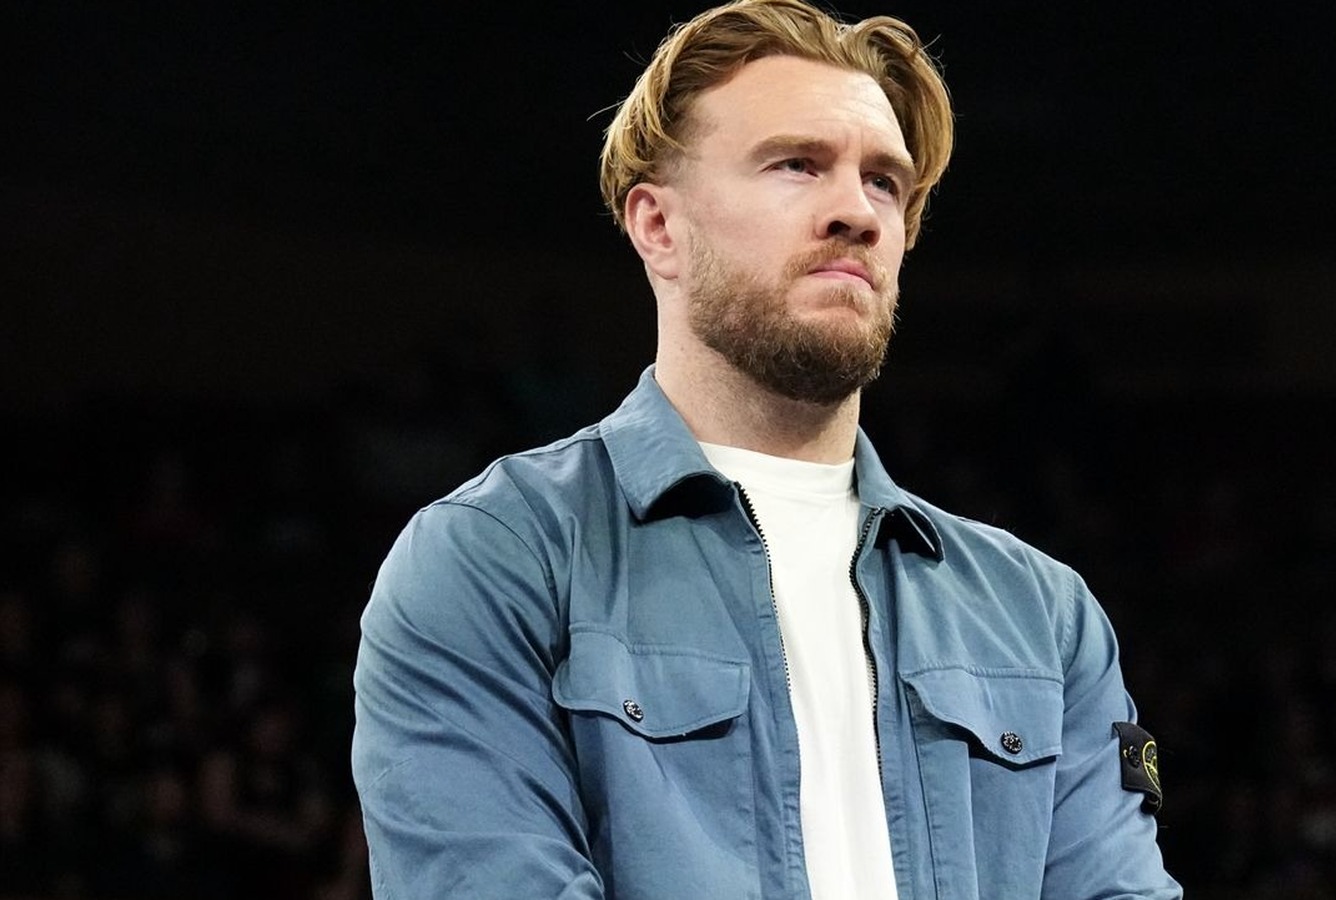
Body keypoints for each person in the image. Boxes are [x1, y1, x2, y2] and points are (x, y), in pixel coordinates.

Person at [350, 1, 1182, 897]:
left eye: (884, 182)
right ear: (658, 227)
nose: (857, 212)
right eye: (797, 164)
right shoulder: (496, 560)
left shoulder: (1045, 615)